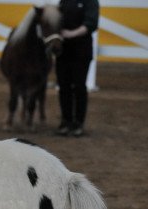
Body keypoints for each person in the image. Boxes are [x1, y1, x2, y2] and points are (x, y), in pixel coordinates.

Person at [55, 0, 100, 137]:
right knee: (63, 86)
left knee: (79, 87)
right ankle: (66, 121)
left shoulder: (91, 2)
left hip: (81, 52)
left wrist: (71, 33)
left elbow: (91, 24)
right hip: (63, 52)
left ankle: (78, 123)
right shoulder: (64, 1)